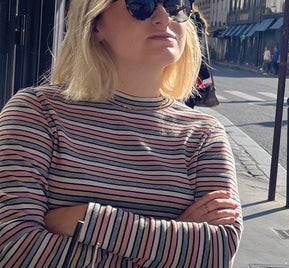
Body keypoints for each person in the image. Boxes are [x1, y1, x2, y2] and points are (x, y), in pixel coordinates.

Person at [0, 0, 243, 267]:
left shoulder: (204, 134)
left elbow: (218, 250)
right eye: (141, 4)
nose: (164, 16)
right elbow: (14, 248)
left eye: (175, 4)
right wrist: (174, 241)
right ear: (95, 25)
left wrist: (86, 219)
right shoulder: (37, 112)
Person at [185, 3, 211, 108]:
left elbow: (197, 52)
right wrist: (206, 75)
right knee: (188, 103)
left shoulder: (190, 21)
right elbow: (199, 53)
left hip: (185, 66)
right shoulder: (198, 21)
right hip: (192, 71)